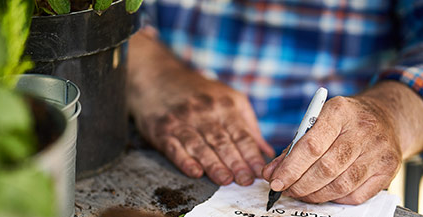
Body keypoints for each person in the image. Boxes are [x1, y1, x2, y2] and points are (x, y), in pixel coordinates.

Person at [127, 0, 423, 205]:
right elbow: (94, 12)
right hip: (157, 135)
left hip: (335, 168)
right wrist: (152, 74)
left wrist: (389, 115)